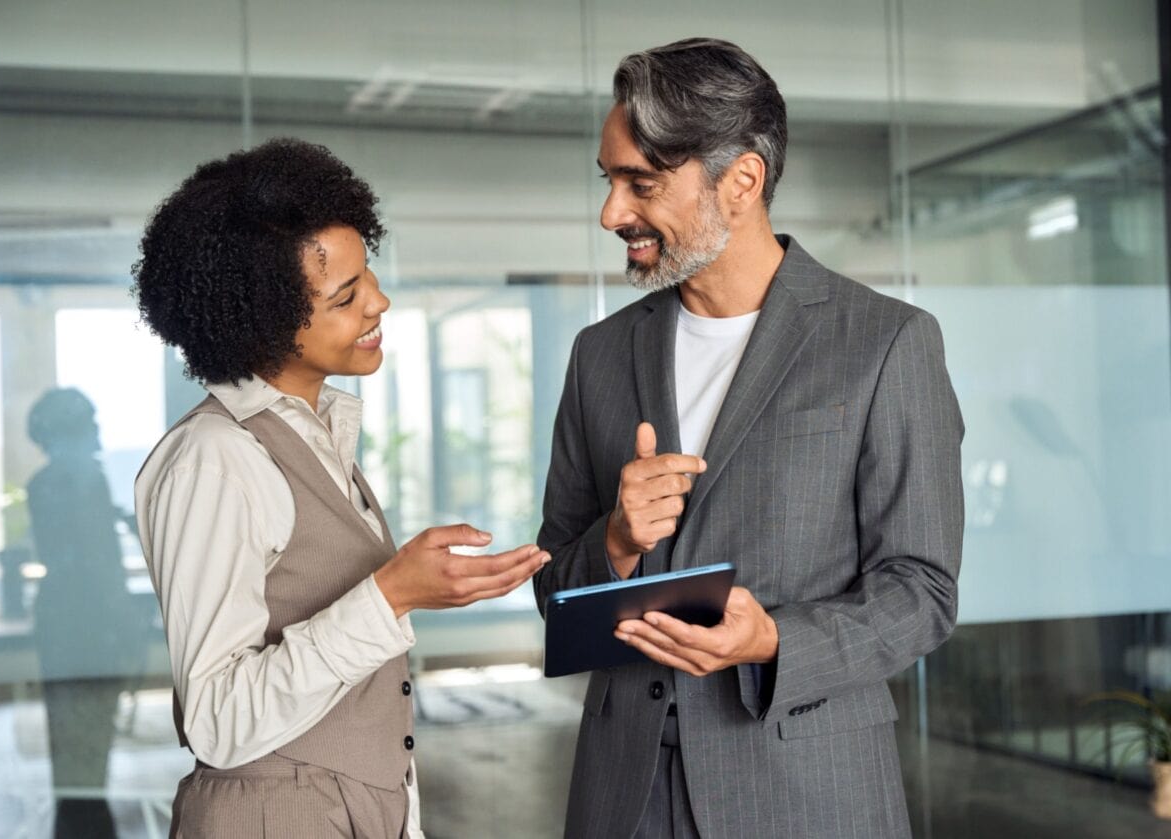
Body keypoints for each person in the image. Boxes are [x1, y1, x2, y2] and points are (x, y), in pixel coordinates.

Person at [534, 38, 964, 839]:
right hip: (622, 797)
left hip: (805, 791)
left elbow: (923, 592)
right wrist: (618, 542)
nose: (611, 212)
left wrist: (772, 638)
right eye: (610, 181)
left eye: (642, 182)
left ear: (741, 182)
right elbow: (554, 593)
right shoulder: (599, 355)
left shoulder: (885, 343)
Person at [132, 138, 550, 838]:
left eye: (370, 278)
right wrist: (392, 594)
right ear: (262, 317)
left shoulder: (318, 433)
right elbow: (216, 719)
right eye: (346, 295)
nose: (379, 302)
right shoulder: (214, 459)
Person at [27, 387, 147, 838]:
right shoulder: (80, 482)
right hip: (86, 624)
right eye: (90, 425)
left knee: (79, 748)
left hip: (67, 622)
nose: (98, 435)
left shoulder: (53, 484)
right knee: (86, 748)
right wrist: (125, 624)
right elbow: (98, 565)